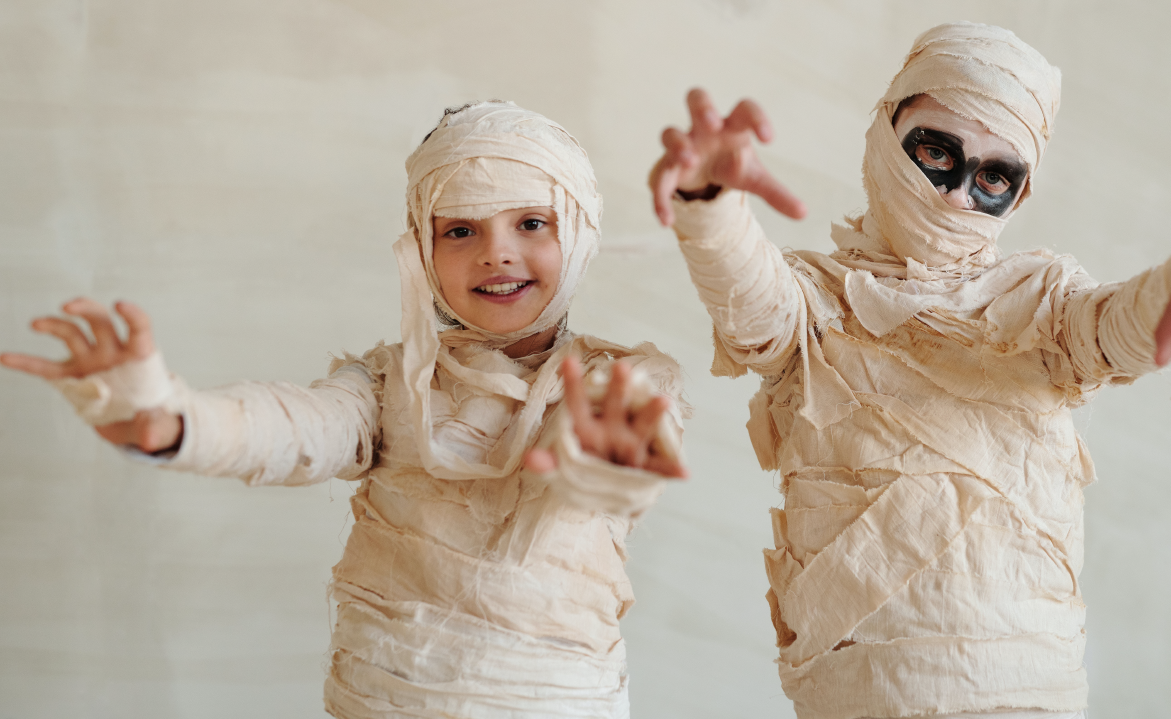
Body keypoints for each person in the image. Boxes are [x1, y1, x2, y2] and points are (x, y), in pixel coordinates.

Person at [647, 22, 1171, 718]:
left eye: (992, 176)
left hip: (1025, 688)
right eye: (934, 151)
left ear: (1022, 194)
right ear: (883, 136)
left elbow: (1116, 325)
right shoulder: (817, 304)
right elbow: (754, 310)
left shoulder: (1041, 306)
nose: (957, 195)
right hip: (859, 694)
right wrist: (709, 208)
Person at [2, 101, 687, 719]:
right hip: (379, 698)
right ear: (422, 247)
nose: (496, 252)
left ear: (581, 232)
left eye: (531, 222)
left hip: (558, 702)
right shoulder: (390, 382)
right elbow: (298, 425)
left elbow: (623, 450)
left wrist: (607, 459)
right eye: (460, 231)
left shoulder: (624, 380)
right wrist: (174, 420)